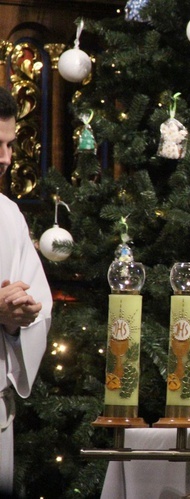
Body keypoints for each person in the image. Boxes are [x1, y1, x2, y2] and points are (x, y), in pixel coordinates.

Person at [0, 86, 52, 496]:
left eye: (10, 145)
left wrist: (20, 320)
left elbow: (39, 303)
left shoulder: (9, 215)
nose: (4, 158)